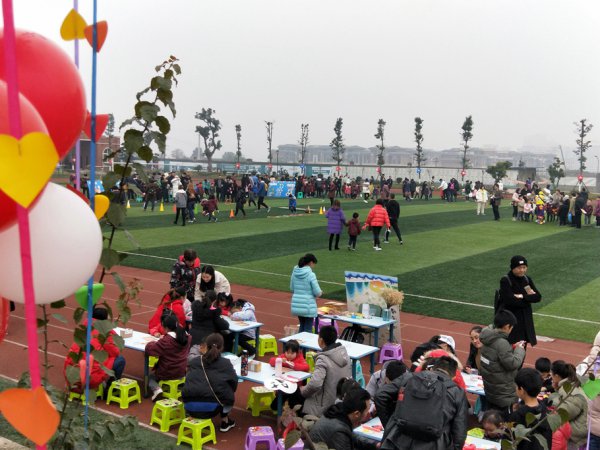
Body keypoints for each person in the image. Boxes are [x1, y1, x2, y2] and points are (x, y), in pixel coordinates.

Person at [380, 356, 468, 450]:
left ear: (432, 368)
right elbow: (459, 432)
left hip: (397, 440)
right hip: (434, 445)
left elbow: (380, 395)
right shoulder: (457, 392)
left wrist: (391, 423)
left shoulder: (409, 377)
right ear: (454, 377)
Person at [182, 333, 238, 433]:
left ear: (206, 346)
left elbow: (188, 380)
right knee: (228, 390)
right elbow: (234, 383)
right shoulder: (225, 363)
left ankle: (223, 418)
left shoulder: (194, 361)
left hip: (189, 407)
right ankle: (224, 419)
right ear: (222, 347)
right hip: (212, 410)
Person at [64, 306, 125, 391]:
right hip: (90, 379)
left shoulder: (83, 329)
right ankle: (110, 390)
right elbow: (115, 352)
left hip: (71, 377)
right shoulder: (105, 333)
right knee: (120, 360)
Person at [479, 310, 526, 418]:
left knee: (490, 418)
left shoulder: (486, 337)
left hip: (490, 390)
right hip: (504, 395)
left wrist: (511, 348)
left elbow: (496, 357)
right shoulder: (501, 343)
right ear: (506, 326)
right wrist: (519, 349)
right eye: (511, 327)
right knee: (503, 422)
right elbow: (513, 364)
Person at [301, 325, 352, 417]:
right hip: (341, 401)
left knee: (296, 395)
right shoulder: (345, 355)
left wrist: (303, 391)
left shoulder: (323, 359)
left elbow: (315, 384)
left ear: (321, 340)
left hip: (324, 406)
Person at [309, 387, 377, 450]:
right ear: (357, 414)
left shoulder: (340, 412)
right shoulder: (339, 431)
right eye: (367, 410)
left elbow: (352, 436)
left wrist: (375, 445)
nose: (369, 412)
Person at [145, 311, 191, 401]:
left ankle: (157, 389)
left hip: (168, 371)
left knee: (151, 377)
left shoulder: (167, 341)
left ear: (166, 327)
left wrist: (152, 342)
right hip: (182, 370)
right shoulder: (187, 337)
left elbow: (150, 350)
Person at [496, 255, 542, 346]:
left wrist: (522, 296)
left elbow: (538, 297)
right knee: (508, 346)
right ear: (513, 268)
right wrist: (528, 299)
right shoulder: (506, 280)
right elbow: (510, 301)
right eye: (519, 268)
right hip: (511, 321)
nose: (522, 270)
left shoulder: (527, 279)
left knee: (522, 346)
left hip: (525, 321)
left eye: (524, 267)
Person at [508, 368, 552, 450]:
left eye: (516, 386)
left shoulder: (517, 416)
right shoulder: (546, 412)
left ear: (522, 390)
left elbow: (508, 444)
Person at [550, 360, 588, 449]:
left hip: (574, 436)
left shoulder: (570, 390)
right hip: (574, 431)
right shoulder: (570, 385)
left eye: (551, 374)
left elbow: (563, 414)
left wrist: (552, 400)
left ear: (557, 376)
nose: (550, 376)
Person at [290, 253, 322, 333]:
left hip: (297, 305)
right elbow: (317, 292)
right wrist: (320, 293)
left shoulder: (294, 273)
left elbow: (292, 288)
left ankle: (299, 341)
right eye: (313, 264)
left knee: (302, 326)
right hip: (308, 306)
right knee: (308, 330)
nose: (313, 266)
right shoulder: (311, 275)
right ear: (311, 262)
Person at [373, 361, 411, 428]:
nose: (392, 388)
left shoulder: (409, 384)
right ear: (386, 379)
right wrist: (373, 407)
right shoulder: (377, 377)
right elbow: (369, 397)